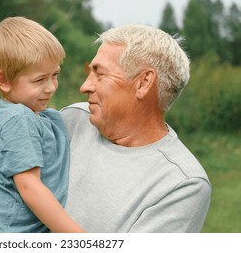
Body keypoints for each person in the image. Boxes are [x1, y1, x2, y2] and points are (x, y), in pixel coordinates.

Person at [61, 24, 211, 232]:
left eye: (100, 74)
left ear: (143, 82)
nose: (85, 86)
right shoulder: (72, 120)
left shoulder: (182, 183)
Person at [0, 16, 84, 233]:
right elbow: (30, 188)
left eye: (55, 75)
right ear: (4, 80)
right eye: (39, 80)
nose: (51, 87)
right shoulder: (18, 119)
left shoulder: (40, 117)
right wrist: (79, 237)